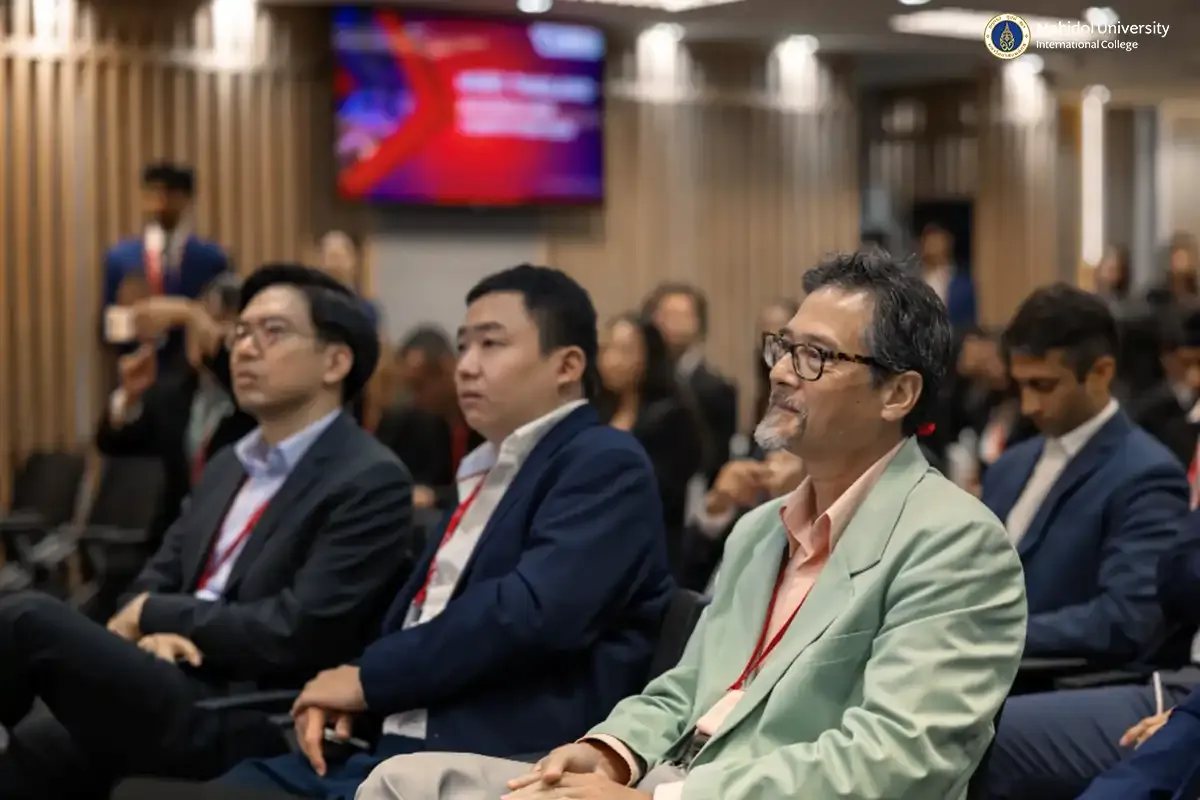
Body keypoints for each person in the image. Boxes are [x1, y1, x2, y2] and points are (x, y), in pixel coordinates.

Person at [359, 250, 1027, 800]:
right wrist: (611, 752)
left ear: (898, 394)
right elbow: (687, 687)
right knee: (402, 782)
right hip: (665, 777)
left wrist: (661, 799)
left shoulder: (953, 542)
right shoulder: (761, 528)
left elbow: (898, 762)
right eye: (783, 348)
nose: (780, 371)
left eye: (814, 356)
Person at [203, 264, 673, 799]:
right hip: (387, 751)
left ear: (566, 366)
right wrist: (355, 682)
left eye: (491, 344)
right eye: (463, 345)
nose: (465, 366)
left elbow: (526, 615)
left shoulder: (603, 461)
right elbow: (428, 617)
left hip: (498, 765)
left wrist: (368, 679)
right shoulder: (490, 467)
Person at [0, 264, 414, 799]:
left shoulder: (370, 478)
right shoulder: (228, 465)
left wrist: (158, 615)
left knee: (25, 619)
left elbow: (296, 629)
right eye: (240, 331)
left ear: (335, 362)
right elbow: (150, 582)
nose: (244, 348)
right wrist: (152, 633)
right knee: (34, 751)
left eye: (272, 332)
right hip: (167, 676)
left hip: (245, 708)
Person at [982, 284, 1189, 665]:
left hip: (1051, 682)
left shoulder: (1148, 475)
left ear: (1101, 373)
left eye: (1043, 386)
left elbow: (1126, 619)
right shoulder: (1009, 465)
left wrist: (987, 636)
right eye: (1020, 385)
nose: (1028, 405)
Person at [980, 521, 1200, 800]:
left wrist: (995, 636)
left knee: (985, 734)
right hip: (1189, 704)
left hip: (1179, 691)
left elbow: (1127, 618)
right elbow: (1177, 574)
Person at [96, 274, 255, 543]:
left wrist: (189, 313)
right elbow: (113, 443)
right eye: (197, 324)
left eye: (216, 323)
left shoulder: (255, 397)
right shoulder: (175, 391)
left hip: (234, 541)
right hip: (174, 543)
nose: (200, 333)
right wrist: (128, 397)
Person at [597, 312, 705, 574]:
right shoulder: (597, 412)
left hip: (650, 555)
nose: (611, 360)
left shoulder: (671, 416)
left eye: (624, 350)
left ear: (648, 355)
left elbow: (659, 492)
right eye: (606, 349)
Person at [102, 163, 229, 372]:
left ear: (187, 199)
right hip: (137, 365)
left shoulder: (211, 258)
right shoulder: (121, 258)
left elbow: (222, 321)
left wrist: (182, 313)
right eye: (153, 193)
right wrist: (136, 319)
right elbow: (107, 326)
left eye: (170, 194)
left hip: (194, 370)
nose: (160, 202)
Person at [375, 326, 484, 511]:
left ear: (448, 370)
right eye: (408, 386)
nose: (414, 397)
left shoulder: (486, 419)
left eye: (419, 385)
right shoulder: (412, 423)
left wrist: (436, 496)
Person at [642, 283, 737, 480]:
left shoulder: (717, 389)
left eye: (681, 315)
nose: (672, 323)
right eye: (665, 315)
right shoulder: (641, 382)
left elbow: (718, 460)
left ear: (698, 323)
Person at [919, 222, 977, 329]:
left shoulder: (964, 285)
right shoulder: (914, 281)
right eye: (929, 241)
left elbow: (970, 322)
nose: (933, 246)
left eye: (937, 240)